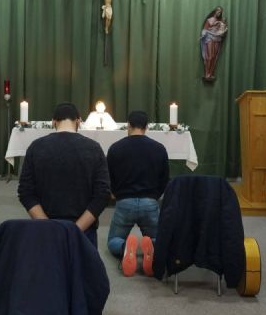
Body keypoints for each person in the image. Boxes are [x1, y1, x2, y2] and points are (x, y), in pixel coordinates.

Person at [17, 102, 111, 247]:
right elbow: (102, 195)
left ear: (54, 122)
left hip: (46, 231)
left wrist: (49, 227)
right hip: (84, 232)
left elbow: (25, 192)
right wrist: (76, 229)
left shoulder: (36, 147)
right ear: (78, 121)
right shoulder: (94, 148)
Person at [106, 111, 169, 277]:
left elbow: (108, 177)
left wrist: (115, 193)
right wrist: (154, 196)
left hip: (124, 202)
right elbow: (164, 179)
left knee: (113, 241)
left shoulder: (115, 148)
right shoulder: (159, 149)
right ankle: (152, 247)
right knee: (159, 239)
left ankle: (125, 247)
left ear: (128, 125)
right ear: (147, 127)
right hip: (150, 202)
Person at [200, 6, 229, 81]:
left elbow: (222, 30)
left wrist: (223, 30)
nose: (219, 13)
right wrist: (203, 34)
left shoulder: (220, 22)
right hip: (209, 38)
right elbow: (204, 29)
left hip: (217, 39)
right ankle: (207, 73)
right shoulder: (209, 20)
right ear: (215, 11)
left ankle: (211, 73)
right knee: (210, 56)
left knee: (214, 57)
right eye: (218, 11)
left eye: (220, 12)